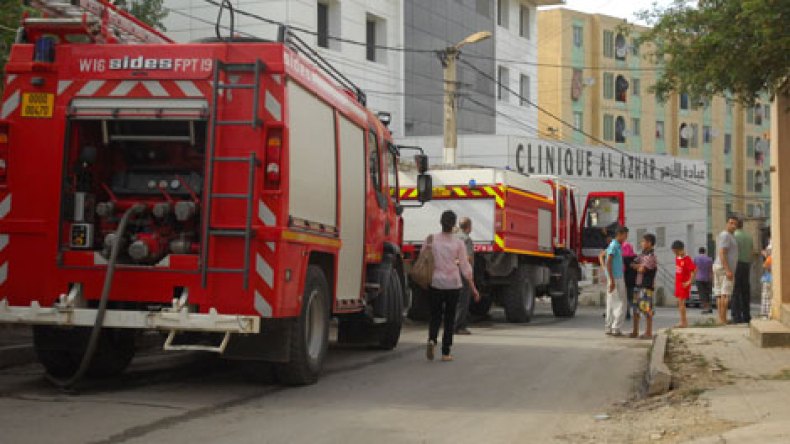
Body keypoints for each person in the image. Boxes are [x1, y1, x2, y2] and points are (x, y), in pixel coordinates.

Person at [424, 210, 480, 362]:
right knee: (449, 318)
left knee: (435, 315)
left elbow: (424, 257)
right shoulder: (458, 243)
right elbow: (465, 267)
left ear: (440, 223)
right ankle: (445, 352)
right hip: (453, 284)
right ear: (453, 225)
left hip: (435, 282)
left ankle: (432, 339)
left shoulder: (431, 239)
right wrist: (473, 288)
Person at [600, 226, 628, 336]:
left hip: (614, 277)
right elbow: (608, 261)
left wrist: (605, 270)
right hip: (616, 278)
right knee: (621, 303)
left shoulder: (615, 246)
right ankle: (616, 327)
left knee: (611, 303)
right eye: (625, 235)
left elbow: (601, 256)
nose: (626, 238)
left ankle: (609, 327)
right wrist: (611, 279)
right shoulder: (614, 246)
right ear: (620, 234)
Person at [629, 233, 658, 339]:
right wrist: (638, 265)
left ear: (649, 243)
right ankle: (635, 331)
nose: (641, 243)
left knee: (646, 308)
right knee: (636, 309)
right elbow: (633, 264)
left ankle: (648, 332)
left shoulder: (651, 256)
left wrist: (637, 266)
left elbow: (642, 269)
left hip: (646, 286)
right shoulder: (642, 255)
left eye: (643, 241)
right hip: (638, 284)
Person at [714, 216, 739, 325]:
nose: (733, 225)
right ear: (727, 223)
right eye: (731, 223)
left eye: (735, 224)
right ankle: (723, 319)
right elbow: (722, 252)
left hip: (719, 267)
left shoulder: (727, 236)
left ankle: (721, 318)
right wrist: (728, 270)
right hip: (724, 268)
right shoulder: (726, 236)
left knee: (719, 294)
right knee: (725, 295)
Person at [455, 217, 474, 335]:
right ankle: (459, 327)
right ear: (469, 227)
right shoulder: (466, 239)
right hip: (462, 272)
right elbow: (467, 258)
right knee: (463, 300)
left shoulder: (452, 237)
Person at [732, 219, 754, 324]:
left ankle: (737, 316)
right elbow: (751, 251)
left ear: (735, 225)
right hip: (746, 264)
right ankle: (747, 315)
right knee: (745, 290)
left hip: (737, 264)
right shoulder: (749, 236)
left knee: (736, 291)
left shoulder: (734, 236)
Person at [672, 240, 696, 328]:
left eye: (675, 252)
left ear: (680, 249)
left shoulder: (687, 259)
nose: (675, 254)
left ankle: (684, 322)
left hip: (684, 284)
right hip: (678, 283)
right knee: (679, 303)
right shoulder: (677, 258)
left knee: (681, 302)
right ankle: (682, 321)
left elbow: (694, 270)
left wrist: (689, 281)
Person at [694, 247, 714, 314]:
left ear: (699, 251)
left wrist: (693, 277)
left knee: (701, 293)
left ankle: (705, 308)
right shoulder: (709, 259)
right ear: (705, 252)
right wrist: (712, 278)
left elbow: (695, 268)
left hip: (699, 278)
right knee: (707, 293)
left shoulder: (696, 258)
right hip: (707, 278)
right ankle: (709, 307)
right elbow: (711, 270)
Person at [622, 240, 637, 321]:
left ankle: (627, 312)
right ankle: (633, 312)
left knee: (625, 297)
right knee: (631, 298)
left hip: (625, 280)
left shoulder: (623, 258)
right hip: (633, 281)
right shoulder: (635, 257)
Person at [760, 243, 772, 319]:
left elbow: (765, 266)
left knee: (765, 297)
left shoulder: (769, 258)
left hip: (768, 280)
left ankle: (765, 313)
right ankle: (768, 313)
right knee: (769, 297)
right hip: (770, 280)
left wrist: (766, 256)